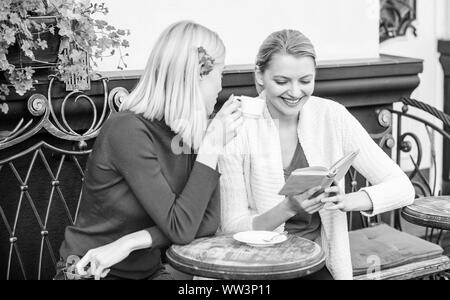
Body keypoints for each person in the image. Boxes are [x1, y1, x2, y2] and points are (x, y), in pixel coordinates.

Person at [217, 29, 415, 280]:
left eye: (305, 80)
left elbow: (403, 187)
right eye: (282, 81)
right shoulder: (237, 124)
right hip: (255, 267)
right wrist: (288, 208)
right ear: (259, 76)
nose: (295, 92)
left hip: (314, 264)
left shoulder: (331, 116)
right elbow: (231, 228)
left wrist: (349, 201)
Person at [55, 20, 243, 280]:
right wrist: (210, 148)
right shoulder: (127, 130)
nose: (221, 87)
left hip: (149, 272)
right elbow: (181, 228)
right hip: (92, 271)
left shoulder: (187, 132)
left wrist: (130, 242)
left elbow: (208, 223)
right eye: (220, 74)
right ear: (199, 74)